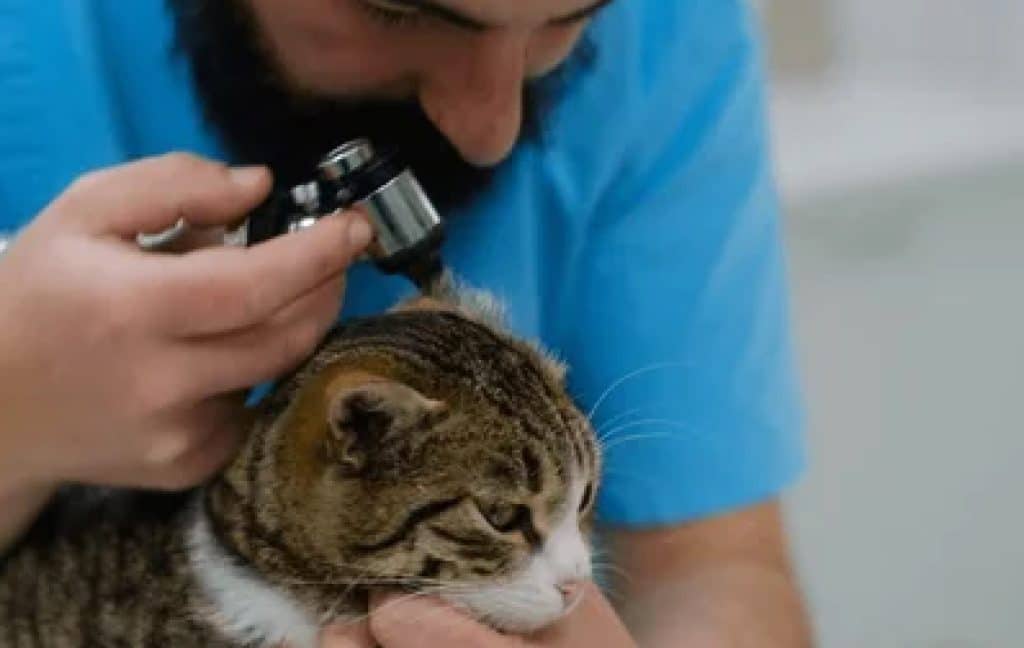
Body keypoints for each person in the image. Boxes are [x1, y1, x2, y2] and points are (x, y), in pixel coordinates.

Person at [0, 0, 812, 645]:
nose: (489, 130)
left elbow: (715, 571)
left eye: (573, 19)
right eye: (397, 11)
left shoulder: (673, 26)